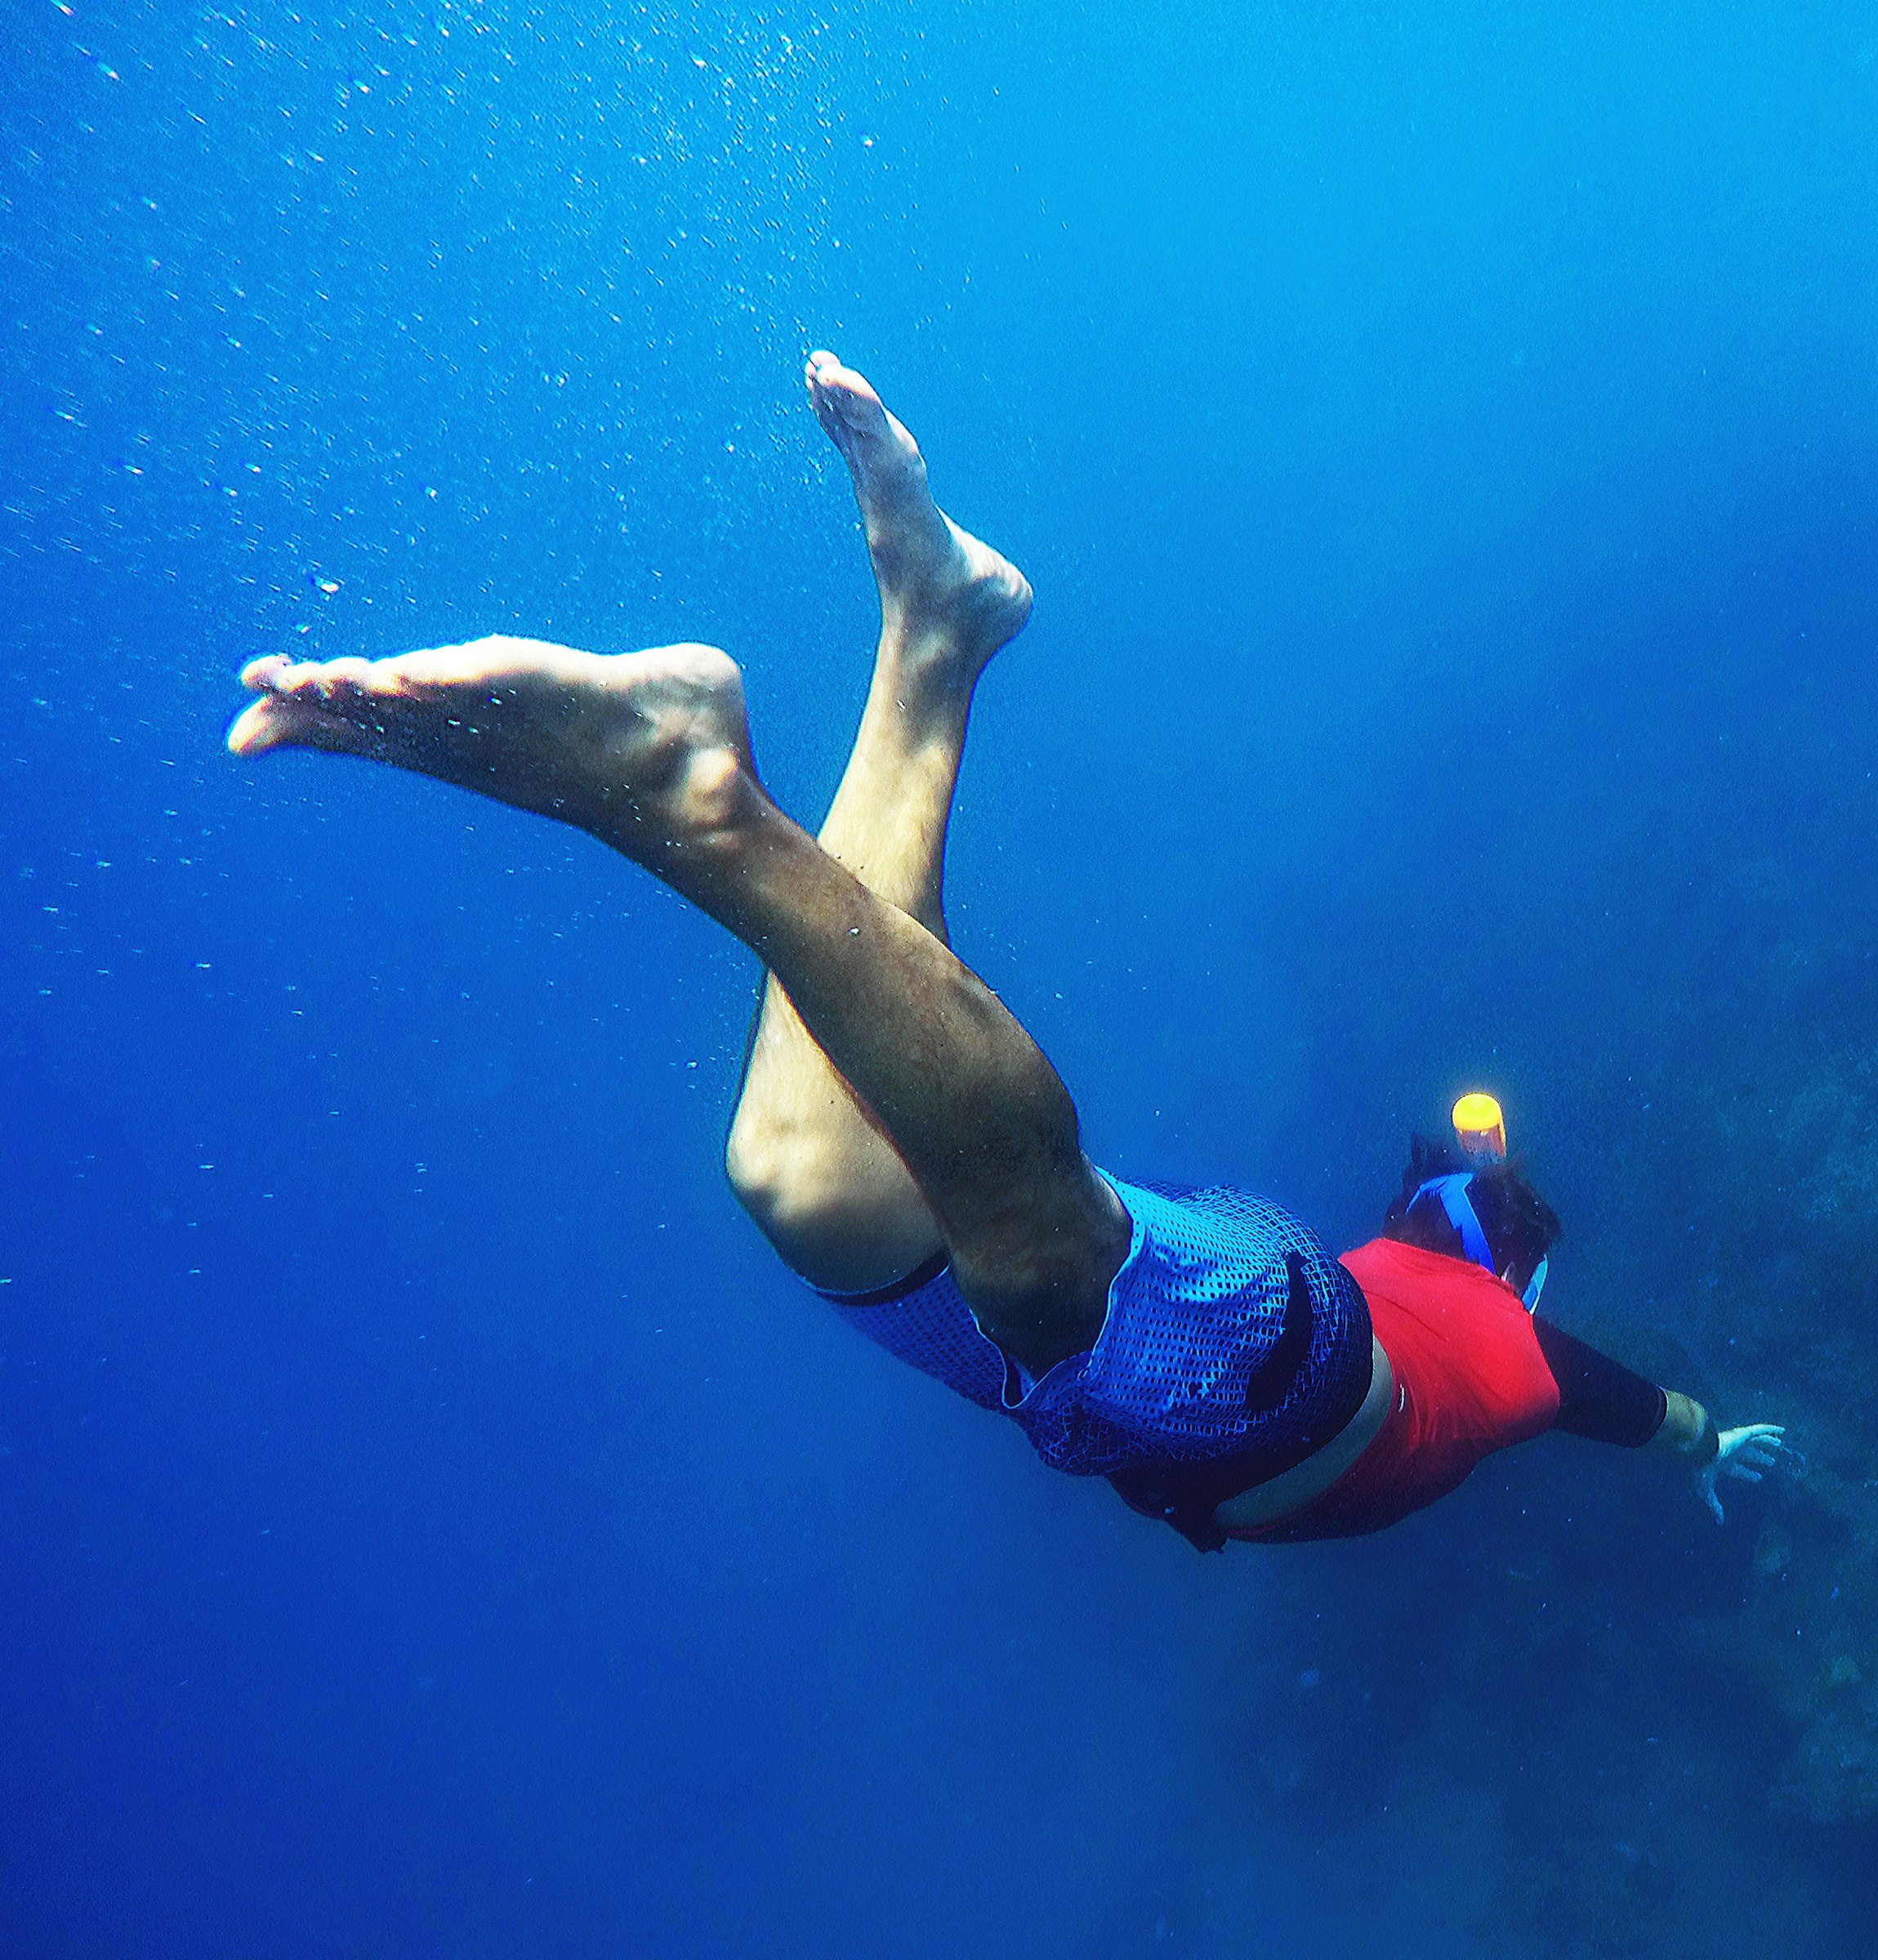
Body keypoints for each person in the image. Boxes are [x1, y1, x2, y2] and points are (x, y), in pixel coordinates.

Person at [226, 352, 1785, 1552]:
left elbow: (1532, 1285)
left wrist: (1665, 1394)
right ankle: (684, 807)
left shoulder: (1441, 1266)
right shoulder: (1508, 1355)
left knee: (802, 1183)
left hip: (1197, 1330)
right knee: (1054, 1271)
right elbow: (1594, 1391)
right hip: (1278, 1373)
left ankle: (937, 632)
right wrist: (1706, 1440)